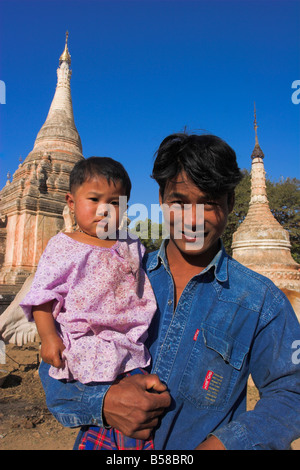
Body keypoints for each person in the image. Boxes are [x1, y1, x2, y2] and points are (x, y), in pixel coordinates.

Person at [38, 133, 300, 450]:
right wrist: (102, 401)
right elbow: (56, 357)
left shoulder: (259, 301)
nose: (193, 220)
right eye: (179, 203)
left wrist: (226, 444)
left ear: (230, 203)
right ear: (162, 199)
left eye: (210, 203)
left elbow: (291, 390)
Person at [20, 156, 165, 450]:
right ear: (71, 203)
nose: (105, 210)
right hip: (84, 348)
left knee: (141, 426)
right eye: (94, 199)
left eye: (115, 202)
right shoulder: (63, 245)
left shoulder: (132, 244)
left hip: (132, 349)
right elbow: (43, 298)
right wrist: (48, 338)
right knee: (98, 423)